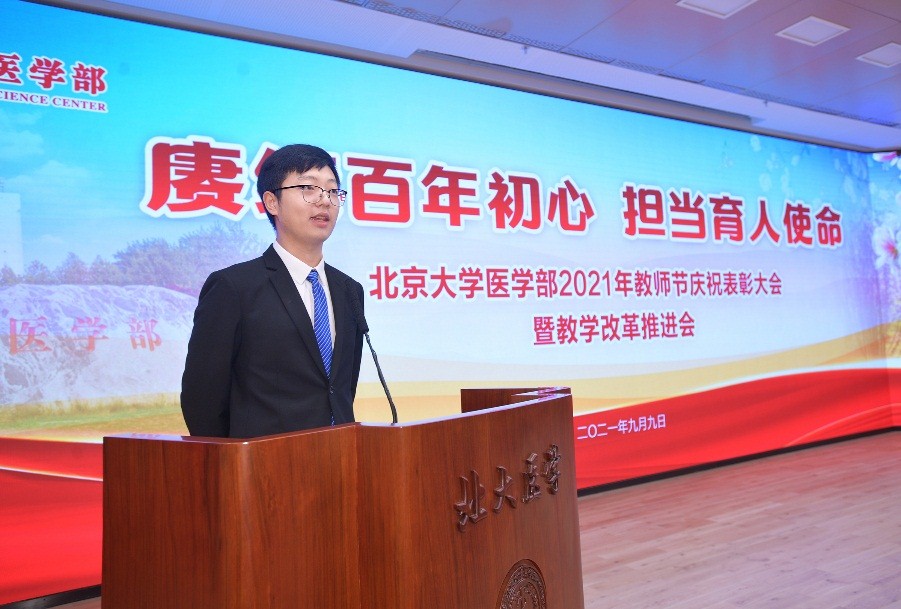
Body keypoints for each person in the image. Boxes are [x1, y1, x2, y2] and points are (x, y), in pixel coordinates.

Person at [180, 144, 365, 438]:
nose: (324, 200)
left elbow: (341, 389)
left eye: (332, 191)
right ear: (272, 202)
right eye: (308, 188)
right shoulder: (234, 287)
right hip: (262, 462)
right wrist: (234, 460)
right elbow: (202, 399)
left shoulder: (349, 291)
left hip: (340, 456)